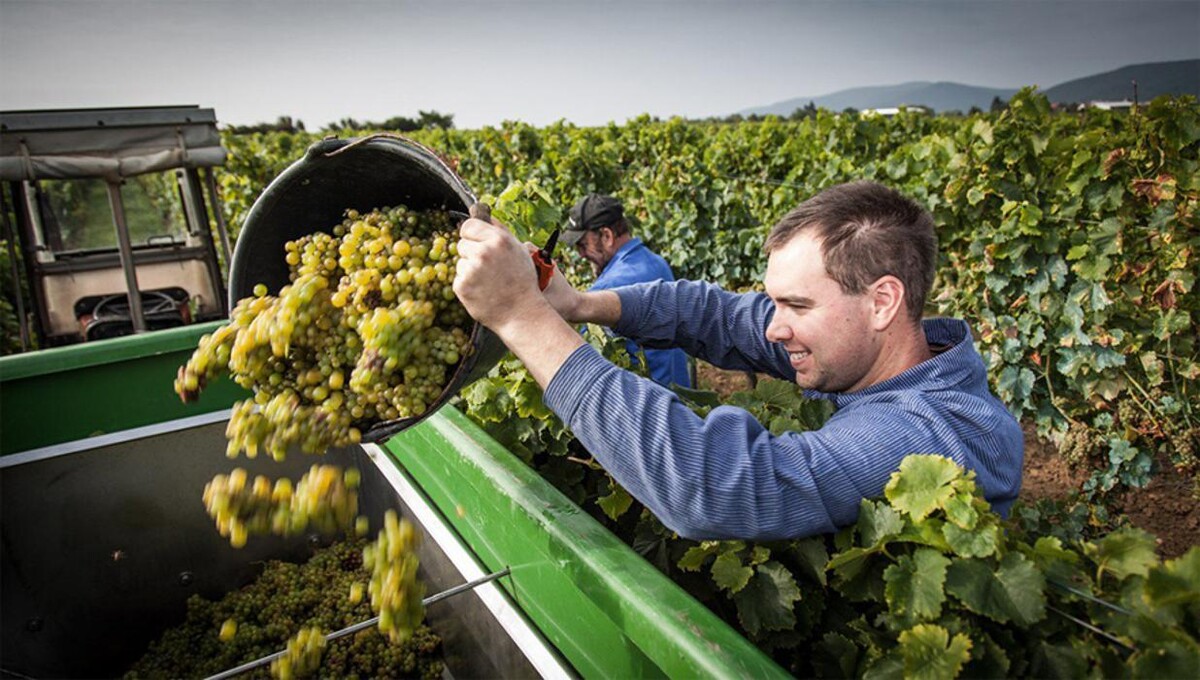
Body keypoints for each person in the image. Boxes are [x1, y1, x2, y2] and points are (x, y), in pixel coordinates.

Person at [453, 181, 1023, 541]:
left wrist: (524, 318)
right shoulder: (867, 351)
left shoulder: (924, 433)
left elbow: (712, 485)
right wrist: (577, 304)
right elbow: (717, 314)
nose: (774, 327)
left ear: (882, 302)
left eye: (797, 305)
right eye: (775, 300)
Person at [561, 194, 692, 388]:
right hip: (680, 402)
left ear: (607, 236)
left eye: (583, 245)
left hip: (647, 412)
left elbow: (585, 365)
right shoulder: (657, 263)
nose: (580, 254)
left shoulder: (605, 290)